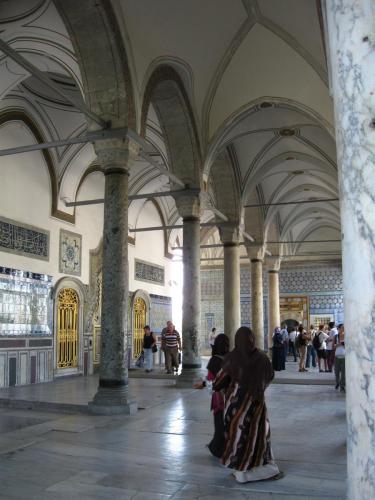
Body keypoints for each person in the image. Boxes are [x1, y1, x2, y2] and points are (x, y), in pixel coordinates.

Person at [213, 327, 282, 483]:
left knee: (237, 437)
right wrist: (258, 387)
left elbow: (218, 382)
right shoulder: (262, 358)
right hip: (256, 405)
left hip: (234, 408)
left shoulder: (231, 358)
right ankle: (254, 467)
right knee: (258, 435)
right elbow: (269, 376)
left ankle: (241, 470)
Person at [206, 334, 230, 458]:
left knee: (219, 423)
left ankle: (217, 448)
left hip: (219, 398)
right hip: (232, 396)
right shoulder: (231, 358)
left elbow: (210, 379)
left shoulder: (214, 360)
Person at [334, 324, 345, 392]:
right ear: (339, 328)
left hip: (344, 356)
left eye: (344, 328)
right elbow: (333, 346)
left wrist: (342, 344)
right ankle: (337, 382)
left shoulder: (347, 336)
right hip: (337, 356)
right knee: (336, 372)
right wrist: (339, 344)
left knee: (343, 372)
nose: (343, 329)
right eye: (342, 328)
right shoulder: (336, 336)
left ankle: (342, 385)